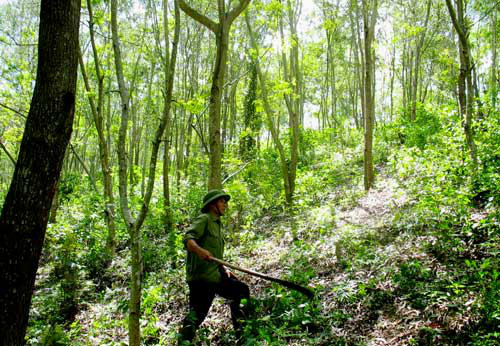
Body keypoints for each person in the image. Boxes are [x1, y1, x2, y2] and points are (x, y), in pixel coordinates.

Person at [178, 189, 250, 345]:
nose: (225, 205)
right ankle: (182, 342)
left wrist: (224, 268)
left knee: (241, 291)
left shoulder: (217, 225)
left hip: (216, 274)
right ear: (212, 205)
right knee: (197, 315)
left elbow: (215, 253)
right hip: (202, 279)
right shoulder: (204, 219)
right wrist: (199, 250)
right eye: (222, 201)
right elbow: (188, 238)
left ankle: (243, 338)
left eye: (225, 202)